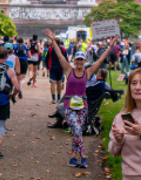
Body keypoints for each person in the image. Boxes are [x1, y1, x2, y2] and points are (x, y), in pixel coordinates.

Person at [45, 30, 111, 168]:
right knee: (77, 129)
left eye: (82, 59)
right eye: (78, 59)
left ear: (84, 61)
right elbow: (59, 55)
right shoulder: (69, 70)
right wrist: (52, 40)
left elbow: (99, 61)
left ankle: (74, 157)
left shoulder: (87, 73)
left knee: (77, 132)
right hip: (69, 106)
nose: (80, 62)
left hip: (82, 106)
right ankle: (83, 156)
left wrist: (110, 47)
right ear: (74, 60)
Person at [48, 37, 66, 104]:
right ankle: (58, 97)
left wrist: (48, 67)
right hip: (61, 68)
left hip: (52, 67)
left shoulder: (50, 49)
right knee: (59, 83)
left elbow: (47, 59)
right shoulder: (63, 49)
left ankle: (53, 98)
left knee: (53, 83)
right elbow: (66, 59)